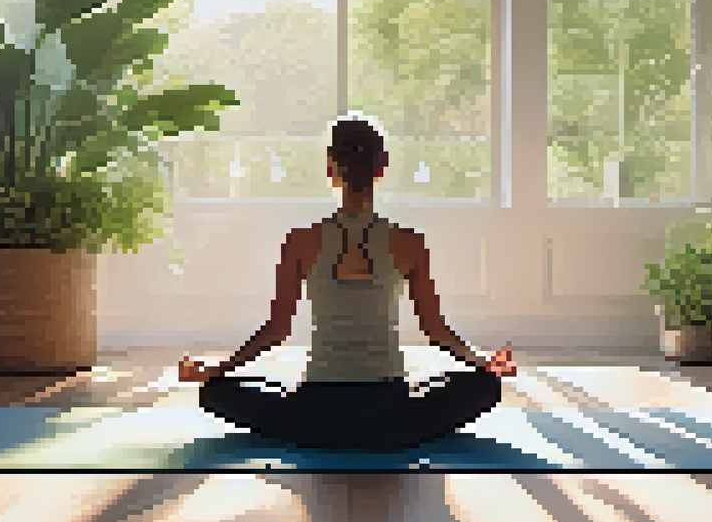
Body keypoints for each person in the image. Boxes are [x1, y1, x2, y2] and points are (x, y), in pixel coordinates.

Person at [178, 115, 517, 451]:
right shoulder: (409, 242)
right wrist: (484, 362)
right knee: (486, 386)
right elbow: (435, 330)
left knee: (216, 391)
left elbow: (276, 331)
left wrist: (215, 370)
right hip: (391, 419)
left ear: (330, 171)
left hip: (315, 417)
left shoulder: (300, 241)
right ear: (382, 169)